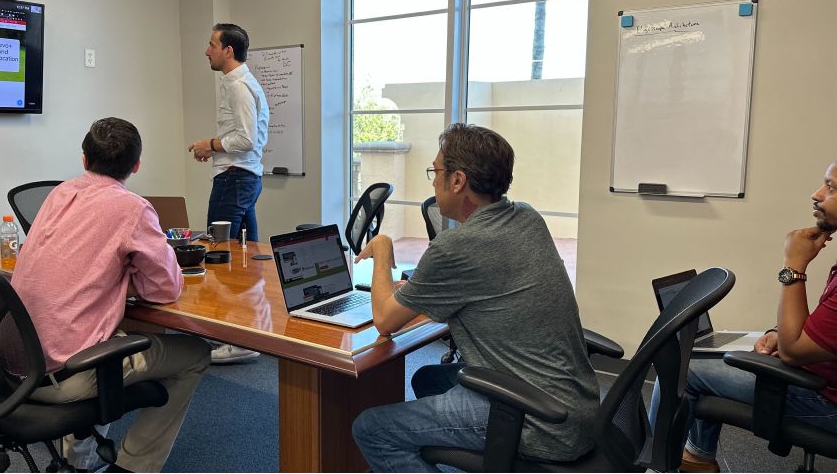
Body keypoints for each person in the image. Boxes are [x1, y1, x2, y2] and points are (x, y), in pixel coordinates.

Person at [350, 123, 600, 471]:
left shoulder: (456, 248)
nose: (433, 180)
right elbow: (490, 286)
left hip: (538, 423)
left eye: (436, 171)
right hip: (579, 406)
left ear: (458, 181)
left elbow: (384, 320)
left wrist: (382, 248)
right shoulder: (527, 216)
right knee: (427, 379)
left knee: (371, 429)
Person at [3, 117, 212, 473]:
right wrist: (128, 272)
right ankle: (132, 466)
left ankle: (80, 459)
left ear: (84, 159)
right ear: (136, 166)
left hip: (14, 365)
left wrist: (112, 274)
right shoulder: (132, 208)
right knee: (196, 353)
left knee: (110, 338)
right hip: (64, 373)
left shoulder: (60, 193)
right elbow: (166, 288)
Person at [654, 162, 837, 473]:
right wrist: (784, 336)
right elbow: (813, 339)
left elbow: (794, 352)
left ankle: (651, 462)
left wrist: (793, 265)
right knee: (713, 359)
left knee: (686, 368)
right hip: (822, 378)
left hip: (827, 402)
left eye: (831, 188)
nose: (816, 194)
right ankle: (696, 460)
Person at [188, 22, 268, 364]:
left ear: (228, 51)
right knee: (244, 257)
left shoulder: (238, 86)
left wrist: (210, 144)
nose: (207, 50)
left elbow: (248, 140)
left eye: (211, 44)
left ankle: (237, 338)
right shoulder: (241, 82)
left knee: (222, 255)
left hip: (235, 179)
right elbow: (243, 139)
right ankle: (250, 332)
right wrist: (216, 148)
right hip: (243, 177)